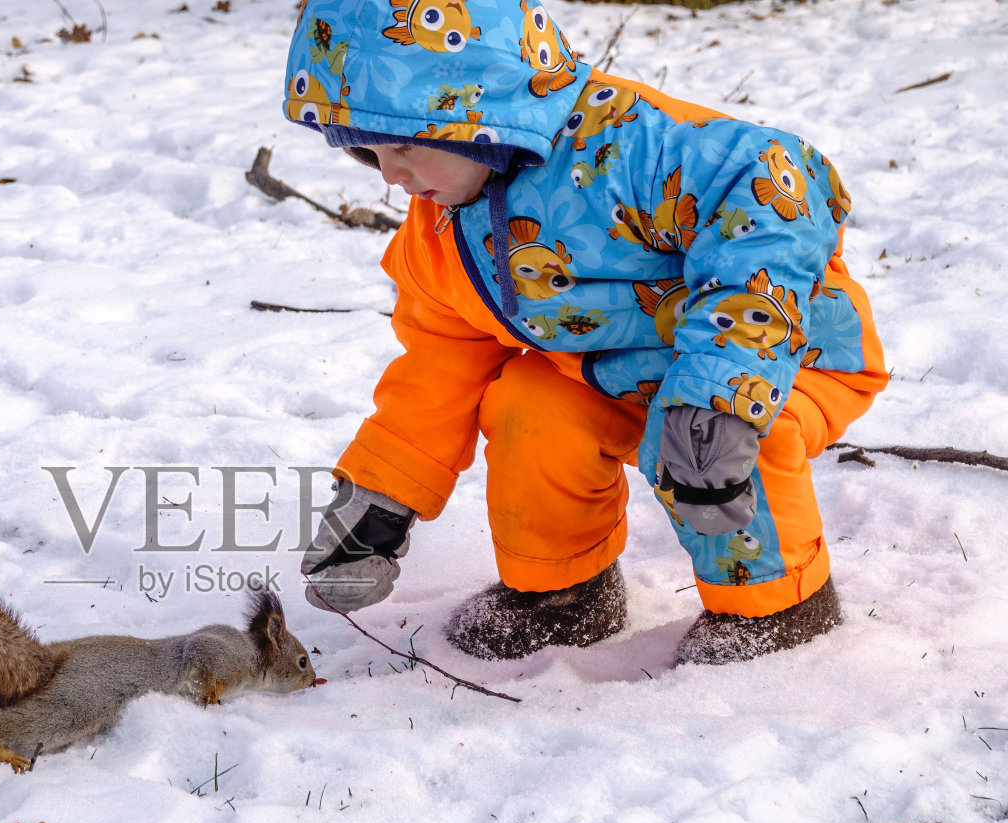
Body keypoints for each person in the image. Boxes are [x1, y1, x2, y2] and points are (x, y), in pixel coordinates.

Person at [290, 0, 886, 664]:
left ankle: (780, 608)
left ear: (477, 113)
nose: (394, 177)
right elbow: (438, 365)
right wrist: (381, 495)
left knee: (696, 428)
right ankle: (564, 593)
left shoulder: (626, 147)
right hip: (611, 372)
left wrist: (722, 383)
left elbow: (780, 183)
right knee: (527, 402)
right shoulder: (440, 232)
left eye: (404, 146)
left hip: (783, 354)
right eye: (369, 155)